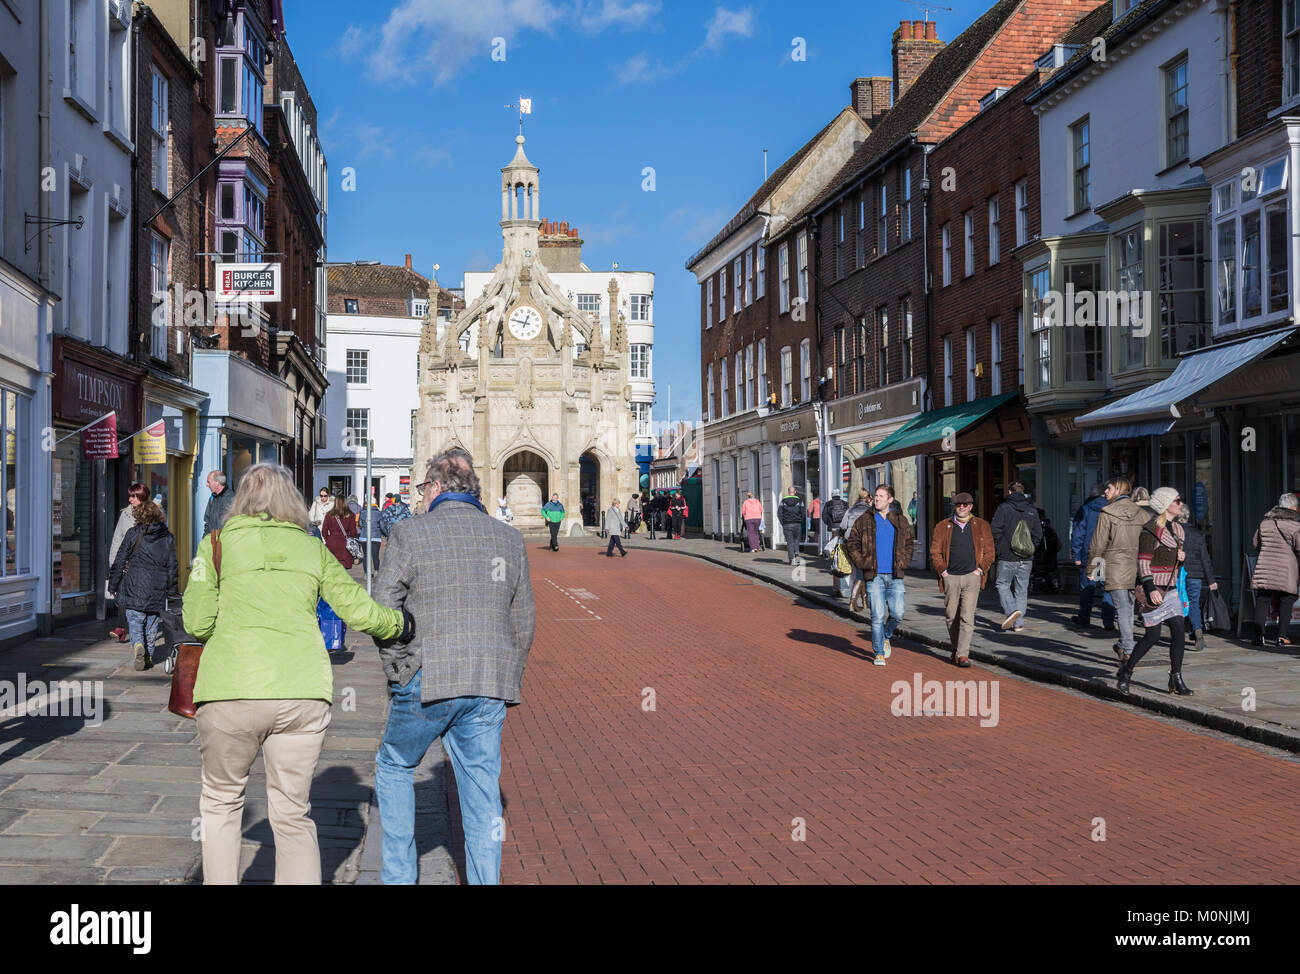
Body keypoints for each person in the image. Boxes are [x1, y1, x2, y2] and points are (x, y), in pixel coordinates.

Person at [184, 464, 411, 885]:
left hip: (228, 691)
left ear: (241, 500)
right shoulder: (313, 550)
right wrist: (401, 625)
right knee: (292, 814)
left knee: (220, 804)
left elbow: (197, 622)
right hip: (301, 691)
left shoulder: (213, 546)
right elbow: (358, 611)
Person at [371, 448, 534, 885]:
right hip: (488, 682)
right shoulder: (508, 539)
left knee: (394, 766)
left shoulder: (409, 534)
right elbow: (523, 621)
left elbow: (383, 608)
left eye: (424, 487)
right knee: (482, 801)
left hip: (428, 677)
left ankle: (400, 878)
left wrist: (398, 669)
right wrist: (508, 679)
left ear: (437, 487)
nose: (422, 495)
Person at [1117, 488, 1192, 695]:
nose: (1180, 503)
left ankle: (1176, 677)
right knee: (1152, 635)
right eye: (1177, 500)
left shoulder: (1179, 530)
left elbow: (1172, 561)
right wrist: (1150, 589)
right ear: (1166, 504)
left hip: (1172, 588)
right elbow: (1143, 563)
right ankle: (1126, 672)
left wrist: (1180, 558)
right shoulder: (1150, 530)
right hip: (1154, 588)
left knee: (1178, 630)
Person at [845, 484, 915, 665]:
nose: (877, 499)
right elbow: (851, 543)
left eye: (881, 496)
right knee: (877, 615)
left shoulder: (900, 520)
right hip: (874, 575)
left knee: (898, 613)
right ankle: (878, 653)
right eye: (876, 496)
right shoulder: (864, 519)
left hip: (895, 575)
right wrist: (862, 563)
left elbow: (909, 543)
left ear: (890, 500)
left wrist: (905, 562)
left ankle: (885, 635)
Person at [108, 499, 179, 670]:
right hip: (157, 587)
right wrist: (172, 589)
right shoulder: (168, 537)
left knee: (135, 620)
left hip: (134, 585)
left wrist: (113, 584)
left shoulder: (133, 533)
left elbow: (120, 560)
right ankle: (149, 654)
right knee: (152, 623)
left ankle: (138, 645)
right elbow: (172, 565)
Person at [930, 491, 995, 668]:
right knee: (951, 616)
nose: (961, 508)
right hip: (951, 577)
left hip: (971, 577)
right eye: (958, 505)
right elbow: (935, 552)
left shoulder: (981, 525)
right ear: (955, 506)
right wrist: (943, 571)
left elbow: (990, 552)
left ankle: (963, 654)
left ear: (971, 507)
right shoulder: (943, 526)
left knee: (967, 616)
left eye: (965, 505)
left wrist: (980, 570)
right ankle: (956, 649)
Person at [1088, 478, 1146, 664]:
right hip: (1138, 567)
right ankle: (1125, 645)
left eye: (1109, 488)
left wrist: (1092, 569)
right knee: (1128, 608)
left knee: (1123, 609)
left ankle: (1127, 648)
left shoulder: (1107, 512)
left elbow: (1098, 544)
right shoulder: (1143, 515)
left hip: (1116, 566)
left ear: (1119, 489)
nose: (1105, 491)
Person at [990, 482, 1043, 632]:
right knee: (1021, 588)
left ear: (1009, 491)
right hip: (1026, 557)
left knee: (1002, 584)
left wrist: (1000, 547)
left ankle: (1012, 611)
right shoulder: (1032, 509)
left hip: (1007, 555)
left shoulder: (1004, 508)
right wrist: (1030, 548)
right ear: (1023, 492)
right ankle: (1018, 623)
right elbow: (1038, 534)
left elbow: (995, 529)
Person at [1250, 493, 1300, 647]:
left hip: (1265, 565)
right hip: (1286, 568)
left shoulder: (1265, 523)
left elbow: (1255, 543)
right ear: (1293, 507)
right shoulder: (1296, 525)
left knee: (1263, 599)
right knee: (1287, 599)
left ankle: (1259, 637)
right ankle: (1281, 637)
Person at [1070, 484, 1115, 630]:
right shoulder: (1112, 507)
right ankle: (1108, 622)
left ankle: (1084, 619)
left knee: (1087, 589)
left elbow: (1078, 533)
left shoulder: (1086, 508)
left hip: (1089, 554)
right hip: (1108, 553)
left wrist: (1076, 554)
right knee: (1107, 588)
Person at [108, 482, 148, 643]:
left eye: (134, 496)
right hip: (126, 563)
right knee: (122, 595)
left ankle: (139, 631)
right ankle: (121, 628)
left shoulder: (153, 513)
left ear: (142, 497)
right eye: (130, 496)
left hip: (144, 564)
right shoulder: (125, 514)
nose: (130, 499)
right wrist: (113, 565)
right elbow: (117, 539)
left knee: (140, 599)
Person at [1178, 510, 1218, 652]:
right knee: (1193, 603)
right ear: (1188, 516)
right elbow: (1205, 558)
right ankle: (1197, 629)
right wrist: (1211, 579)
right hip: (1196, 575)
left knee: (1178, 605)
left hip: (1178, 574)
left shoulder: (1173, 532)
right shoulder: (1197, 533)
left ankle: (1180, 634)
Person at [840, 488, 872, 609]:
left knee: (859, 571)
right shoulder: (869, 511)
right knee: (861, 572)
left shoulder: (851, 510)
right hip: (863, 543)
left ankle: (864, 601)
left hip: (850, 543)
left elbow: (843, 526)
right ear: (868, 498)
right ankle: (853, 602)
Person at [321, 495, 358, 569]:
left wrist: (328, 539)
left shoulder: (329, 515)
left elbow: (324, 531)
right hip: (345, 545)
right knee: (344, 570)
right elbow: (353, 532)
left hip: (331, 544)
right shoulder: (350, 515)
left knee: (331, 568)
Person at [777, 486, 805, 565]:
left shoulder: (783, 501)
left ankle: (792, 559)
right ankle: (797, 556)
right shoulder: (800, 501)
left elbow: (779, 513)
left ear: (788, 492)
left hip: (787, 524)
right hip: (797, 523)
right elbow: (803, 513)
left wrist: (783, 523)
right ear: (795, 492)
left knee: (789, 542)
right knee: (796, 541)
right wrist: (800, 521)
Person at [202, 471, 234, 537]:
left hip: (226, 544)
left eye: (208, 482)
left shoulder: (232, 499)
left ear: (217, 483)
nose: (207, 485)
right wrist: (204, 541)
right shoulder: (212, 498)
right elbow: (207, 523)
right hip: (211, 544)